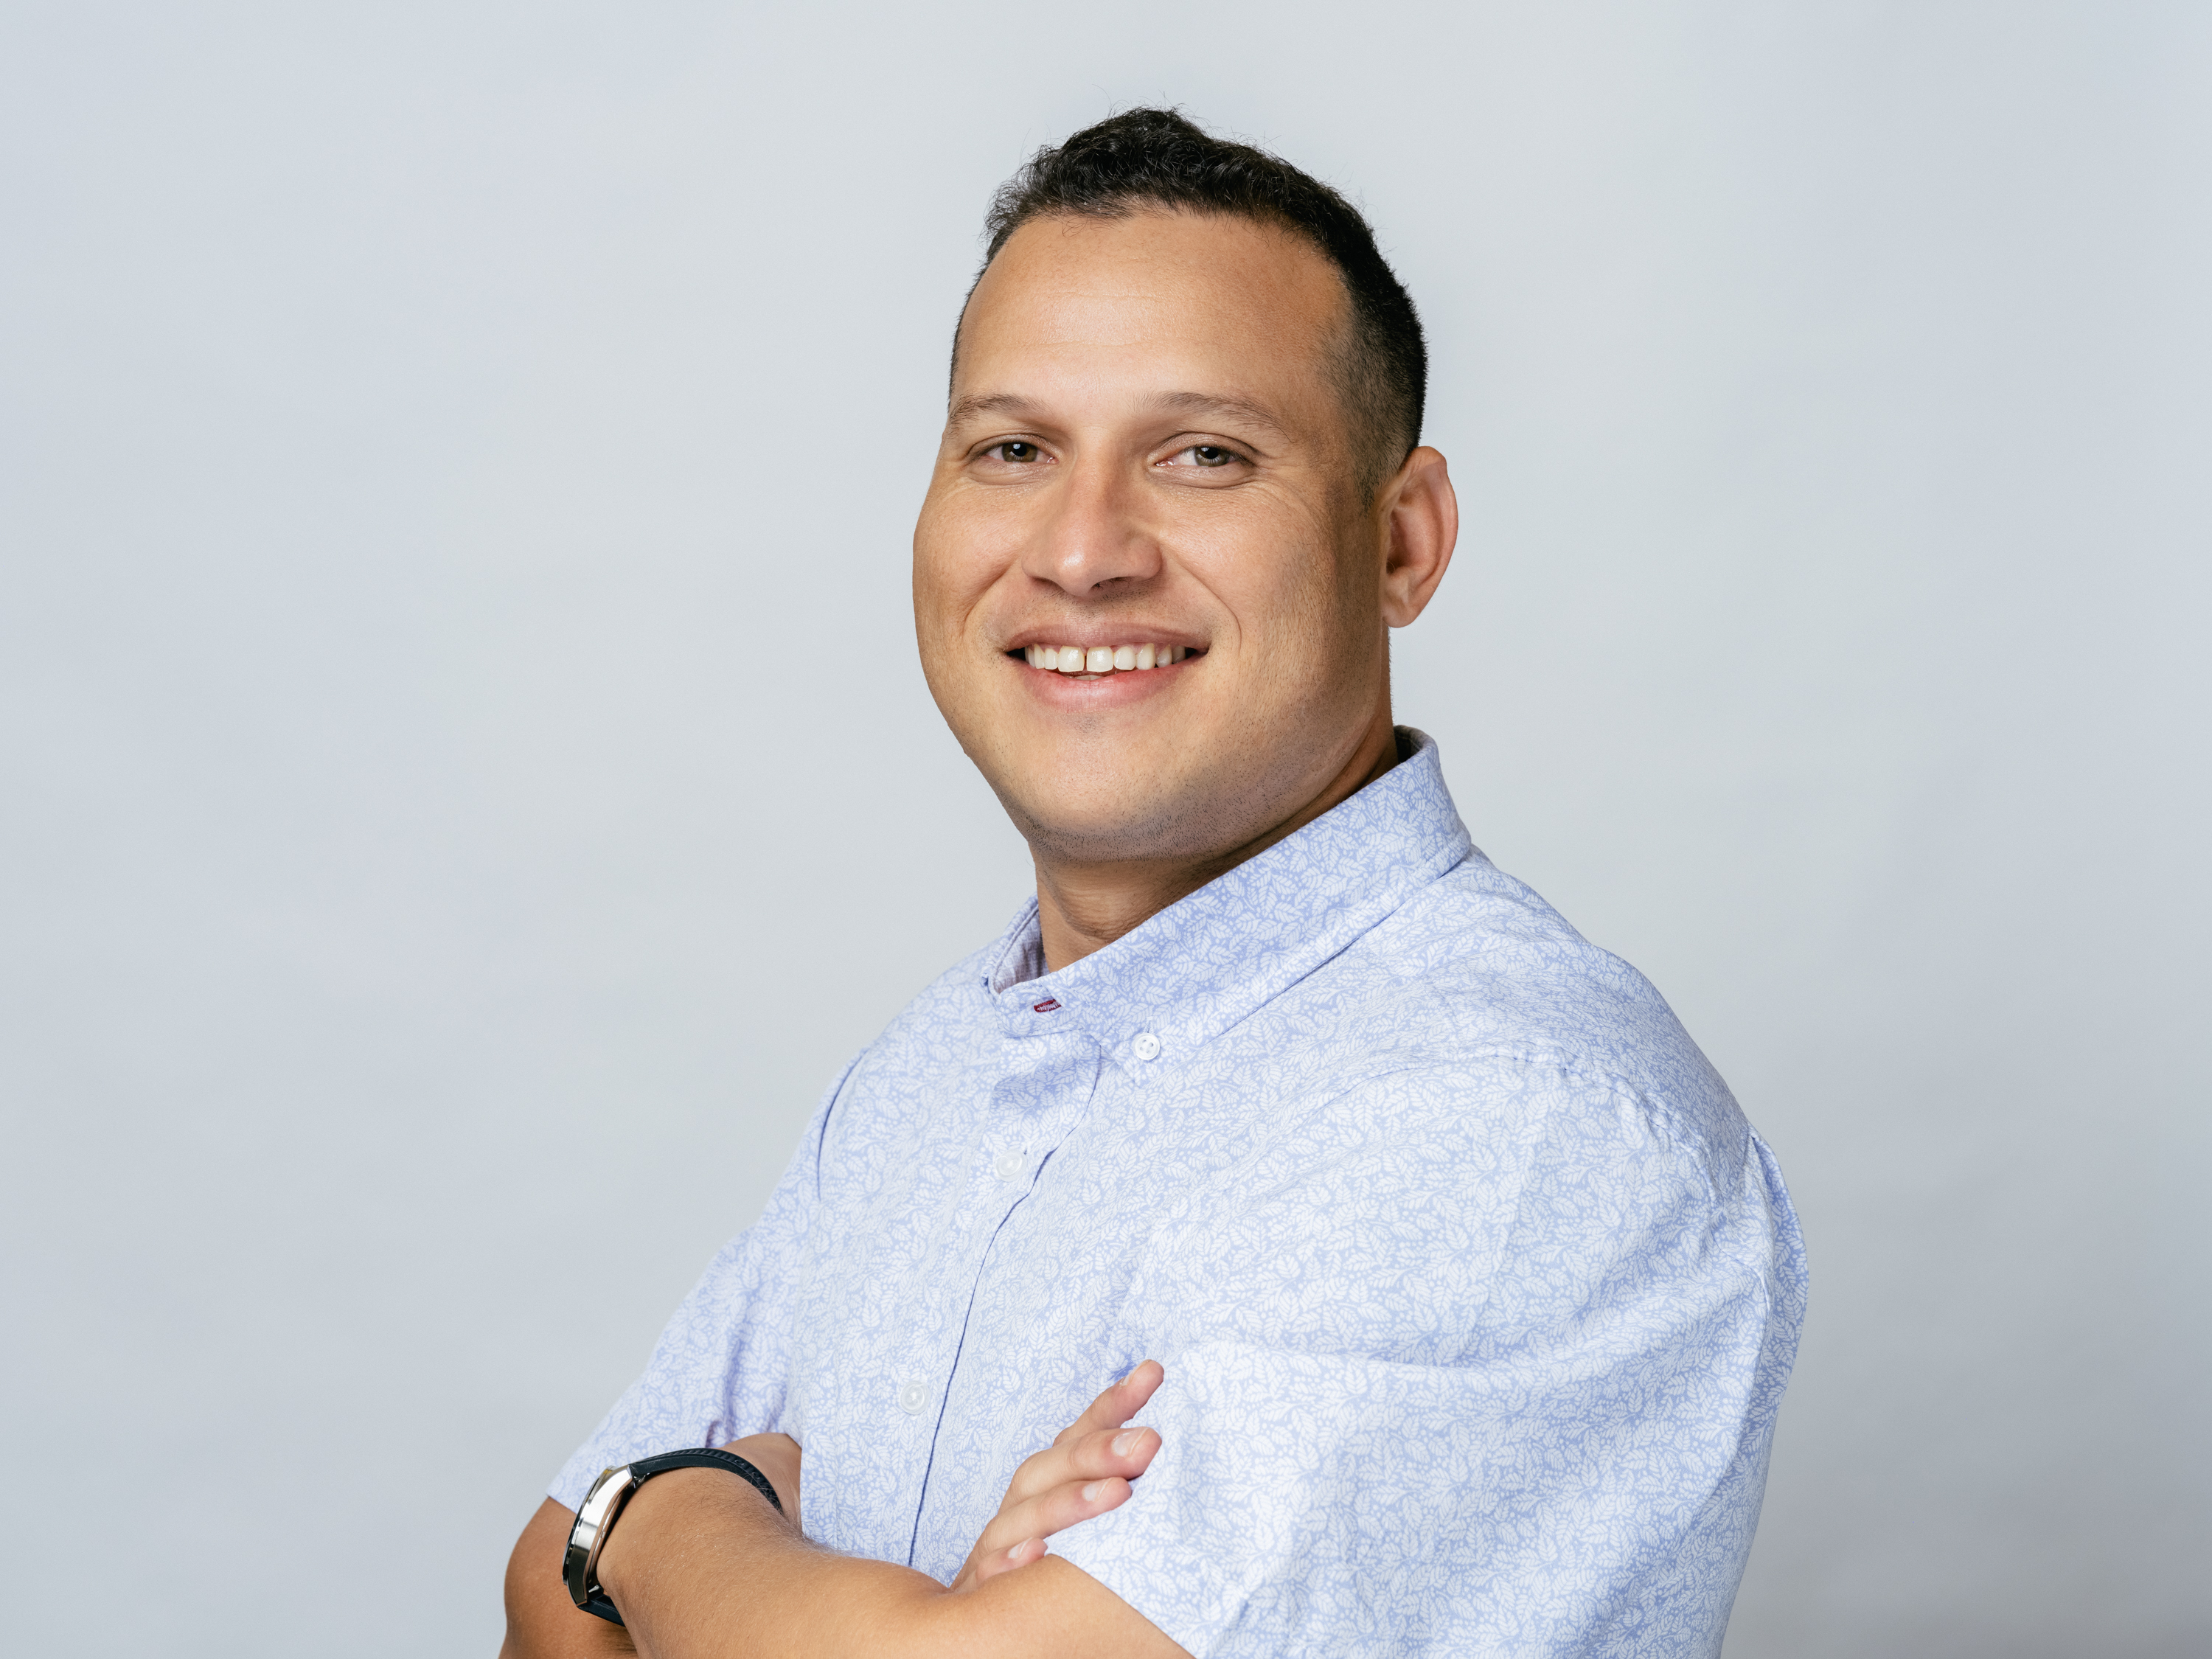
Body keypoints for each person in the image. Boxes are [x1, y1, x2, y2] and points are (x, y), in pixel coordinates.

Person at [499, 107, 1806, 1659]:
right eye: (1014, 449)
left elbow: (593, 1556)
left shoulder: (1514, 1114)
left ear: (1402, 541)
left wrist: (661, 1516)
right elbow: (541, 1617)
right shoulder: (929, 1076)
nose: (1084, 550)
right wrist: (865, 1606)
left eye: (1204, 456)